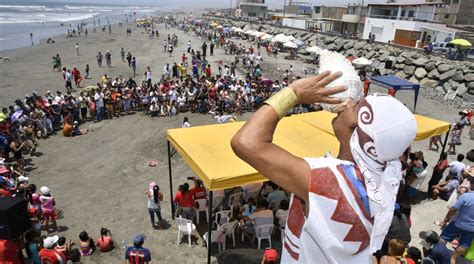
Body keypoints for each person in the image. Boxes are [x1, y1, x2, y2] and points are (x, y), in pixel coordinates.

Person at [231, 72, 417, 262]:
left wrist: (294, 92)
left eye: (357, 106)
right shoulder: (384, 178)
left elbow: (245, 142)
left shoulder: (327, 178)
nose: (350, 103)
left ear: (357, 130)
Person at [439, 177, 474, 263]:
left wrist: (446, 219)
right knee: (464, 244)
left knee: (444, 237)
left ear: (472, 185)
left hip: (458, 223)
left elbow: (453, 209)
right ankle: (453, 258)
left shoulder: (466, 196)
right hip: (472, 228)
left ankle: (439, 252)